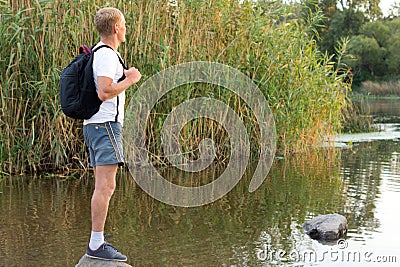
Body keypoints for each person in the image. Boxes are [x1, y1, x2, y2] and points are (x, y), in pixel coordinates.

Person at [83, 7, 141, 261]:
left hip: (97, 125)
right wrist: (131, 79)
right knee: (106, 186)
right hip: (105, 125)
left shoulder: (100, 53)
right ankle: (96, 244)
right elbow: (104, 92)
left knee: (104, 185)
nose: (126, 29)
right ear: (116, 28)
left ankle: (98, 241)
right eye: (124, 25)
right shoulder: (107, 55)